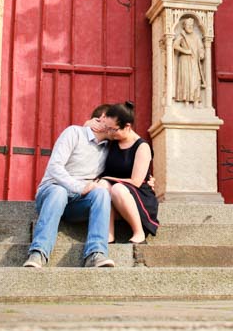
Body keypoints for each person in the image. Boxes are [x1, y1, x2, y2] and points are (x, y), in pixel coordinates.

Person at [23, 104, 116, 268]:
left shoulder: (110, 148)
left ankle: (96, 253)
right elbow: (55, 167)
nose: (117, 125)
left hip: (76, 204)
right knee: (58, 191)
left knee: (101, 193)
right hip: (52, 192)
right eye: (114, 119)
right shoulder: (74, 133)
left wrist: (147, 180)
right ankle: (38, 252)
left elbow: (131, 140)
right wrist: (79, 187)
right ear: (101, 118)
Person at [99, 101, 159, 244]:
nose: (109, 132)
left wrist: (108, 178)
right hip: (115, 194)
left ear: (127, 126)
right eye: (107, 128)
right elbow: (87, 128)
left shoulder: (142, 147)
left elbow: (136, 182)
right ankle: (109, 234)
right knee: (103, 185)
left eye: (113, 129)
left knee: (116, 188)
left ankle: (139, 232)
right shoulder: (112, 137)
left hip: (138, 195)